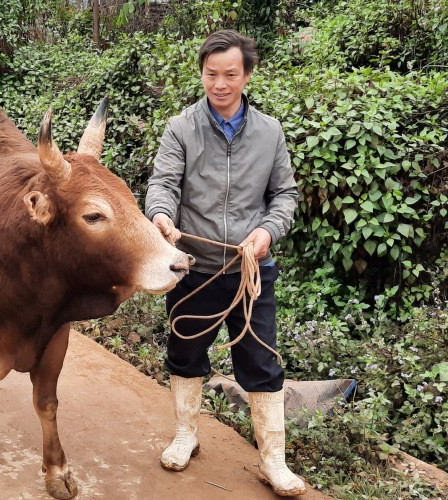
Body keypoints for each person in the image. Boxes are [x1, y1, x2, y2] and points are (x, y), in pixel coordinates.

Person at [145, 30, 304, 496]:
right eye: (211, 74)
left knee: (261, 361)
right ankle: (186, 435)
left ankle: (273, 459)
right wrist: (161, 216)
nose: (219, 83)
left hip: (250, 273)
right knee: (185, 353)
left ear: (247, 75)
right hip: (195, 270)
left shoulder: (270, 132)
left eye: (230, 74)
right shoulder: (181, 128)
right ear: (201, 73)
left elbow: (285, 195)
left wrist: (267, 231)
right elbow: (163, 184)